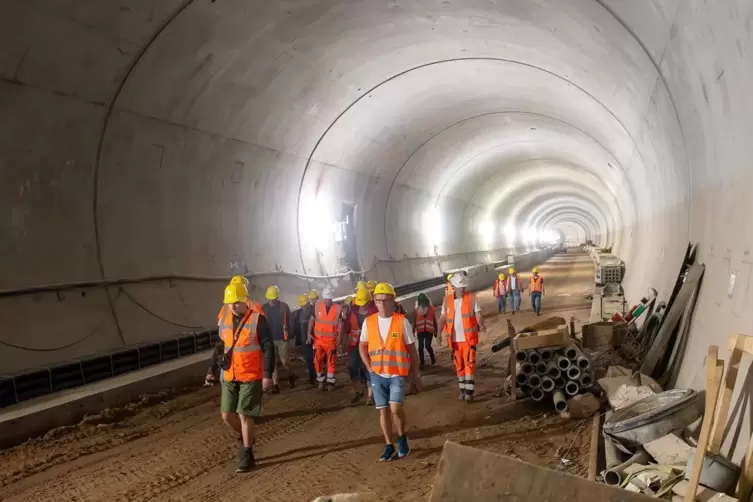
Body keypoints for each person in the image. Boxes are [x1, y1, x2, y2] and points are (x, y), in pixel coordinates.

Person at [205, 282, 274, 472]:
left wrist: (267, 375)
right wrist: (212, 370)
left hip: (251, 374)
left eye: (236, 302)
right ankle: (246, 437)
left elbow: (268, 348)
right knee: (227, 415)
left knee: (245, 414)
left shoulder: (258, 320)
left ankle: (247, 452)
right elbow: (220, 347)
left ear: (245, 300)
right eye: (229, 303)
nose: (233, 306)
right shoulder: (226, 320)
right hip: (230, 374)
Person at [359, 282, 422, 461]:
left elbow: (412, 351)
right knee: (383, 411)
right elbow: (362, 347)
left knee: (395, 408)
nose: (381, 304)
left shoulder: (401, 322)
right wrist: (370, 368)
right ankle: (389, 445)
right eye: (378, 300)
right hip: (377, 374)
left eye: (385, 300)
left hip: (396, 374)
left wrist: (416, 375)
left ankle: (402, 437)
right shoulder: (369, 322)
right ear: (375, 301)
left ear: (392, 301)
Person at [439, 274, 486, 402]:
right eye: (460, 287)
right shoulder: (447, 300)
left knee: (469, 365)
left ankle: (469, 393)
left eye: (464, 287)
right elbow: (443, 318)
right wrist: (438, 333)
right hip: (454, 341)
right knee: (459, 366)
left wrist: (481, 325)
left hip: (468, 340)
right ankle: (463, 391)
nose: (463, 290)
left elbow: (478, 314)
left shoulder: (471, 298)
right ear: (454, 287)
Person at [261, 285, 296, 392]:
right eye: (271, 299)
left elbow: (291, 321)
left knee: (285, 361)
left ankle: (291, 376)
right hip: (270, 340)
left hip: (282, 339)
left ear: (277, 297)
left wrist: (291, 335)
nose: (272, 301)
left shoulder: (284, 307)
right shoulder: (264, 308)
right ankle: (276, 384)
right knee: (273, 362)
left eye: (274, 298)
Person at [308, 286, 343, 391]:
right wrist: (308, 333)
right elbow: (311, 320)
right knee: (316, 361)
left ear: (332, 299)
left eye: (330, 299)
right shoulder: (317, 306)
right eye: (326, 299)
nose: (328, 301)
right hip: (318, 340)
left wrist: (340, 337)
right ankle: (320, 380)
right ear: (323, 298)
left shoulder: (337, 308)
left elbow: (340, 324)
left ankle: (330, 383)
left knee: (331, 362)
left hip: (331, 341)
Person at [347, 287, 378, 404]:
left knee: (369, 368)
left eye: (365, 303)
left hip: (370, 345)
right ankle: (358, 391)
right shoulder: (353, 310)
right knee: (352, 366)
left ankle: (372, 395)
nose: (362, 306)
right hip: (355, 344)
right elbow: (347, 327)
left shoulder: (375, 311)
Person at [413, 293, 437, 368]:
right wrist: (413, 330)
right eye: (421, 302)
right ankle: (422, 362)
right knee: (420, 348)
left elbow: (434, 321)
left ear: (426, 301)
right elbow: (414, 321)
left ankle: (433, 358)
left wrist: (436, 331)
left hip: (429, 331)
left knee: (427, 345)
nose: (423, 303)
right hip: (420, 331)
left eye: (424, 302)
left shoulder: (432, 309)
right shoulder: (416, 310)